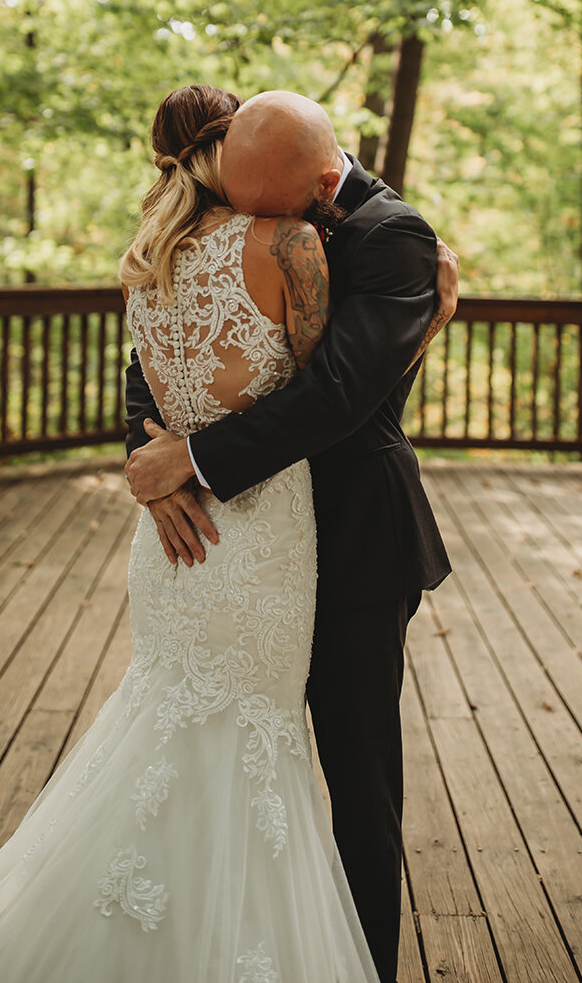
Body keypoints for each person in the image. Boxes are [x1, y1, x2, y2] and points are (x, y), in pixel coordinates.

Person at [0, 84, 384, 983]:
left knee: (169, 728)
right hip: (261, 534)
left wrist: (162, 465)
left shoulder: (142, 259)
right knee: (252, 741)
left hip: (175, 540)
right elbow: (329, 387)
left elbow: (151, 394)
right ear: (235, 152)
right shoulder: (292, 244)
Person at [125, 88, 456, 983]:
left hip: (351, 538)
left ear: (316, 178)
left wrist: (192, 460)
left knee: (358, 777)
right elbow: (152, 368)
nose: (251, 224)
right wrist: (155, 465)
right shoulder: (256, 208)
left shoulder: (396, 235)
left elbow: (343, 397)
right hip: (249, 545)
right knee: (230, 762)